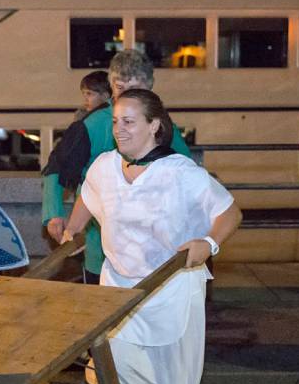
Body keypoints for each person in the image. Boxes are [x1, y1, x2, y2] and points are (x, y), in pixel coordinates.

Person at [63, 89, 242, 384]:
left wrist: (208, 243)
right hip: (120, 285)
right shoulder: (104, 167)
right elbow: (88, 199)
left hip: (173, 285)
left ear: (154, 126)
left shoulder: (181, 173)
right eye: (115, 122)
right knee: (122, 363)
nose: (119, 130)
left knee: (174, 372)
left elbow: (229, 213)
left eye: (129, 122)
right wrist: (71, 227)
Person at [42, 50, 192, 284]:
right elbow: (58, 166)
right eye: (122, 88)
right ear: (112, 87)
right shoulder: (92, 124)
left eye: (137, 91)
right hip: (101, 249)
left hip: (151, 250)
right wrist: (54, 215)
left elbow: (188, 174)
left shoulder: (162, 123)